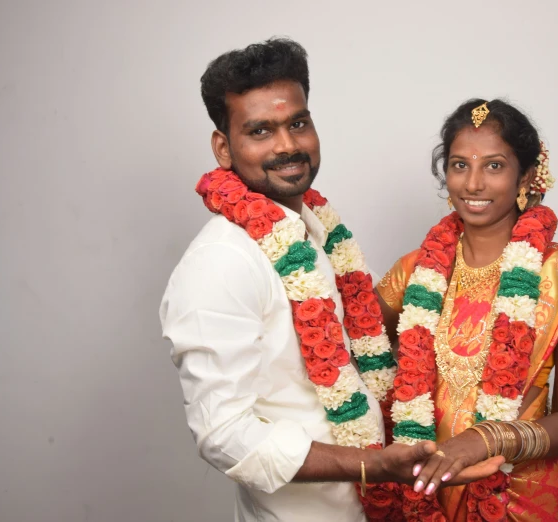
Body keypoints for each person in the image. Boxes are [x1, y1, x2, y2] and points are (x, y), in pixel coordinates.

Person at [159, 39, 501, 522]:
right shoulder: (221, 261)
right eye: (260, 131)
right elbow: (223, 434)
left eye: (298, 123)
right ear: (223, 148)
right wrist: (371, 465)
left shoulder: (317, 233)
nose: (287, 145)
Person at [375, 99, 558, 521]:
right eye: (460, 165)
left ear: (525, 176)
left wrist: (487, 438)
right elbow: (354, 348)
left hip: (517, 499)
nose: (473, 183)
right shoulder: (415, 271)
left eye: (493, 166)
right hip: (423, 489)